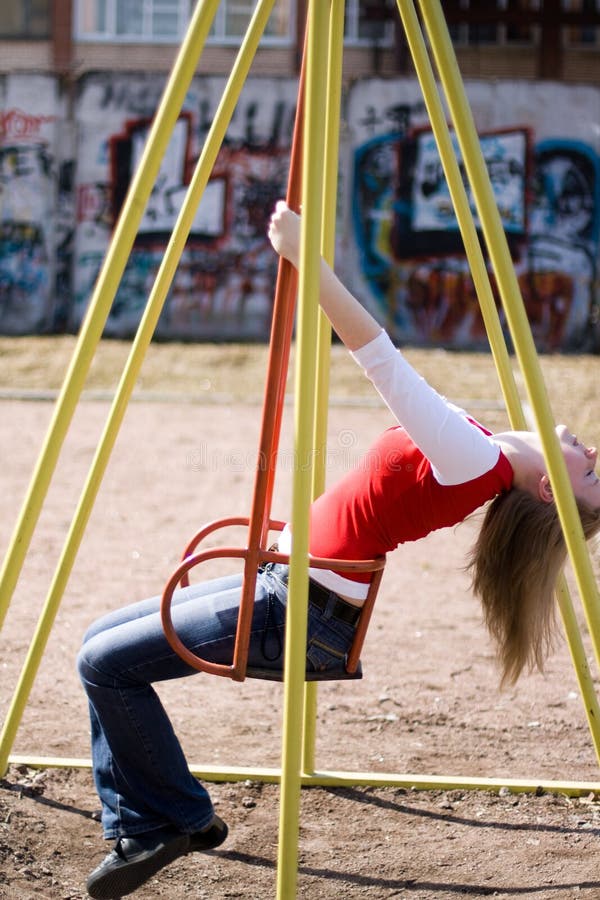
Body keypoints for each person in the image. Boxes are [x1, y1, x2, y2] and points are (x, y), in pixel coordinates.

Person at [78, 200, 600, 899]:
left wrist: (307, 261)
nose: (592, 452)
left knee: (103, 666)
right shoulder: (484, 447)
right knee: (98, 642)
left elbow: (376, 356)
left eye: (590, 475)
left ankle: (163, 820)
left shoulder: (473, 457)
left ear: (548, 494)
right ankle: (173, 813)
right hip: (288, 581)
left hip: (297, 609)